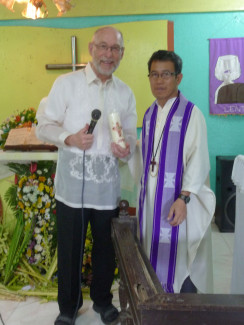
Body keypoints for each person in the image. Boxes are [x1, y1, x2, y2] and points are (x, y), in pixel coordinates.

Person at [36, 26, 137, 325]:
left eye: (115, 48)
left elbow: (129, 133)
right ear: (92, 49)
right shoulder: (66, 84)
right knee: (70, 249)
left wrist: (126, 148)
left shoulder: (125, 91)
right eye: (103, 47)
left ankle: (103, 301)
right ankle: (68, 307)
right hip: (72, 187)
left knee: (107, 250)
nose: (108, 54)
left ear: (122, 53)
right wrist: (69, 137)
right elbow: (44, 125)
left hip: (107, 189)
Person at [136, 50, 215, 294]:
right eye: (154, 74)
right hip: (152, 203)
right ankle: (157, 306)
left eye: (166, 74)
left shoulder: (192, 114)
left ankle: (184, 311)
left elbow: (199, 160)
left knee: (183, 260)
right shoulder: (149, 115)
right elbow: (146, 157)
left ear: (178, 78)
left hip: (180, 203)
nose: (159, 81)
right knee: (152, 253)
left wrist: (183, 198)